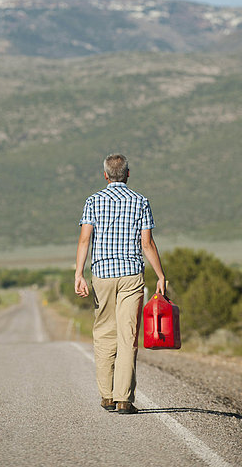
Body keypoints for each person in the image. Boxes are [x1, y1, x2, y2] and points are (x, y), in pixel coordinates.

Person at [75, 153, 166, 414]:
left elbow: (85, 240)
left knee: (104, 333)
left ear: (105, 175)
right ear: (128, 174)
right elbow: (146, 243)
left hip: (102, 275)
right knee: (128, 336)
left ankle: (107, 396)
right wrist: (160, 275)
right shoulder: (140, 201)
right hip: (131, 276)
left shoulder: (93, 201)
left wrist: (79, 274)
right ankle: (124, 398)